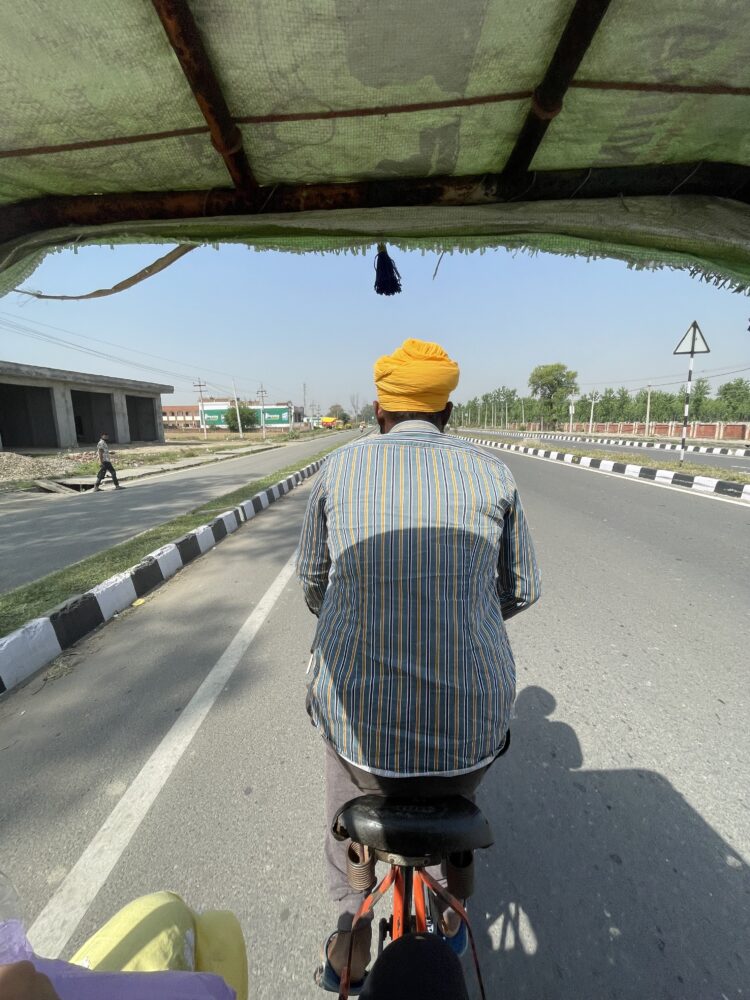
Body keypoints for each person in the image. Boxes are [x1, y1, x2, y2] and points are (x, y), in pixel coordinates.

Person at [296, 338, 541, 992]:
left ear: (379, 408)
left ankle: (350, 922)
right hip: (469, 739)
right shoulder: (493, 474)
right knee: (452, 775)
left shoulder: (338, 471)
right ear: (448, 410)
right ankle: (445, 889)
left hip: (362, 744)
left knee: (338, 746)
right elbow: (519, 590)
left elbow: (314, 590)